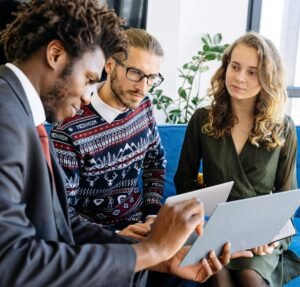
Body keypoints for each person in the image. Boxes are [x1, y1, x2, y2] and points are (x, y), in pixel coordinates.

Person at [0, 0, 236, 286]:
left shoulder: (18, 112)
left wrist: (158, 257)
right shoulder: (6, 116)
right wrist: (151, 250)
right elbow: (12, 262)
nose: (87, 96)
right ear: (55, 54)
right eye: (88, 78)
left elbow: (61, 222)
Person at [174, 32, 300, 287]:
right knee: (218, 278)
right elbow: (184, 181)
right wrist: (206, 220)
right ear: (225, 67)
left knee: (250, 277)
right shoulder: (202, 120)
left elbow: (286, 195)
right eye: (235, 66)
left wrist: (271, 236)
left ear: (268, 77)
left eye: (253, 72)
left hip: (261, 233)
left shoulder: (283, 127)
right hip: (215, 230)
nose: (240, 78)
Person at [50, 28, 166, 240]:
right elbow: (63, 212)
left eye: (151, 78)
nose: (143, 87)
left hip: (143, 227)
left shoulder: (144, 106)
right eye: (135, 73)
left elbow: (155, 163)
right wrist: (117, 235)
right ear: (110, 65)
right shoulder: (68, 130)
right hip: (99, 243)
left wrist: (152, 215)